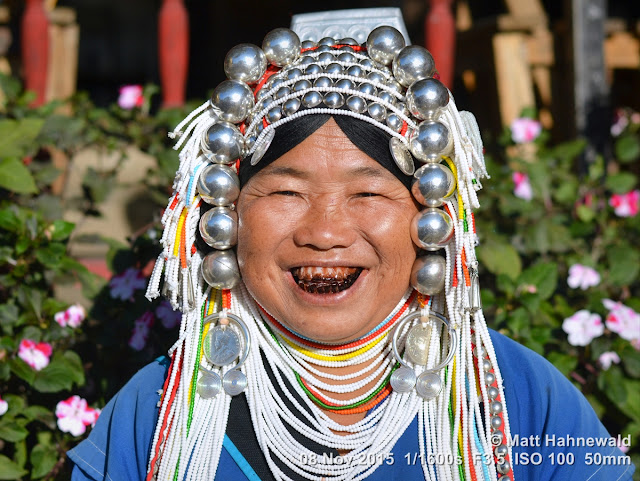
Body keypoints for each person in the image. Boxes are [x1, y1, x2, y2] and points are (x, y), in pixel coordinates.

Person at [68, 11, 634, 481]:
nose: (326, 232)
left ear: (434, 216)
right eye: (287, 190)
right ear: (228, 212)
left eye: (368, 192)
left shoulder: (520, 403)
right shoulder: (162, 414)